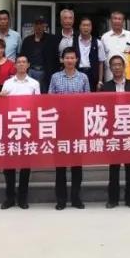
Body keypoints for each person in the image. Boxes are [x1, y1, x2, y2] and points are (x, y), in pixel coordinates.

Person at [48, 47, 90, 209]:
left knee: (77, 165)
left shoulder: (83, 78)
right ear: (62, 60)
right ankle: (61, 199)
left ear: (77, 60)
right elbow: (50, 100)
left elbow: (88, 100)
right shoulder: (55, 77)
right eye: (67, 58)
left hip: (77, 125)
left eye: (72, 58)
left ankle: (76, 198)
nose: (70, 60)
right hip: (60, 125)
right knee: (60, 165)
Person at [0, 55, 41, 209]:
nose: (21, 64)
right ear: (15, 65)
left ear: (28, 65)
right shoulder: (8, 83)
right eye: (19, 62)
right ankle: (10, 197)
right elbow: (1, 104)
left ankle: (23, 197)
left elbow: (38, 104)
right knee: (8, 164)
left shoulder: (34, 83)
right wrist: (0, 98)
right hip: (10, 127)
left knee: (25, 164)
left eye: (24, 62)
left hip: (27, 127)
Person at [100, 54, 130, 208]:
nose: (117, 67)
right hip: (113, 130)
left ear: (124, 67)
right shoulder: (105, 87)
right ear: (110, 68)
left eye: (119, 64)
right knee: (114, 167)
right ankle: (113, 199)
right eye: (114, 65)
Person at [19, 14, 58, 93]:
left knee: (43, 94)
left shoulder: (52, 39)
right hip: (30, 71)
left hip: (45, 72)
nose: (39, 26)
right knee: (29, 92)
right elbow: (22, 56)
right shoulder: (27, 40)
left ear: (45, 25)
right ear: (33, 25)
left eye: (41, 24)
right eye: (37, 24)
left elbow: (55, 57)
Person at [99, 10, 130, 83]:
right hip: (110, 75)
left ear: (123, 21)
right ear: (111, 21)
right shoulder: (105, 37)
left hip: (127, 74)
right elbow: (101, 59)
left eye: (119, 19)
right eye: (115, 18)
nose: (117, 21)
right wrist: (100, 80)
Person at [74, 17, 104, 91]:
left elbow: (101, 63)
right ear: (80, 27)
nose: (86, 28)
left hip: (92, 75)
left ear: (91, 27)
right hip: (77, 73)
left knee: (91, 96)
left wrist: (100, 81)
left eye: (88, 25)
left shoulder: (98, 43)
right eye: (84, 25)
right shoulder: (73, 41)